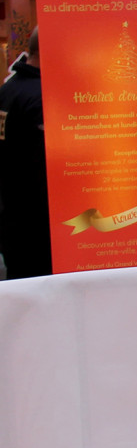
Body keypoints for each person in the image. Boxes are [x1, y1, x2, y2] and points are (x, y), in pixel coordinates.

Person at [0, 27, 51, 278]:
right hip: (38, 230)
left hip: (13, 221)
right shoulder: (41, 98)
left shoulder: (9, 90)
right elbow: (45, 171)